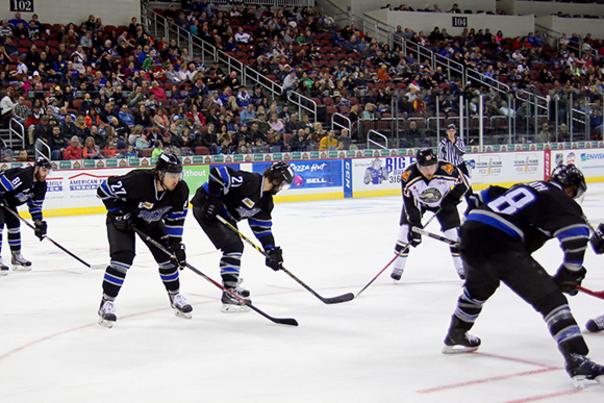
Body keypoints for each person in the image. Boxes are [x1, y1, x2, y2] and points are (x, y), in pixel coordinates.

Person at [443, 164, 604, 386]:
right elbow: (576, 236)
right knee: (551, 300)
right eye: (575, 192)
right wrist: (570, 274)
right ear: (570, 188)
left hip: (471, 233)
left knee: (480, 287)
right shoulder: (561, 199)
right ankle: (577, 359)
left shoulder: (527, 187)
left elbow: (481, 197)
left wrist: (473, 226)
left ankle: (456, 333)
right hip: (501, 243)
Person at [95, 153, 191, 327]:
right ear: (160, 173)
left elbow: (177, 219)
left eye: (178, 175)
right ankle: (107, 303)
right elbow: (103, 189)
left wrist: (176, 245)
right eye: (171, 176)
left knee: (169, 257)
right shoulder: (138, 181)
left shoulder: (180, 190)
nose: (175, 180)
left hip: (151, 222)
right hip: (124, 220)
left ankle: (175, 295)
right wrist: (117, 212)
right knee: (122, 258)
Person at [191, 161, 294, 312]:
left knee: (236, 246)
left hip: (224, 215)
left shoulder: (265, 202)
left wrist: (271, 250)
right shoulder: (250, 181)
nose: (281, 188)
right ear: (276, 179)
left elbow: (262, 229)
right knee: (234, 246)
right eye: (283, 184)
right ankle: (229, 293)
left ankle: (230, 280)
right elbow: (218, 173)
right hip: (205, 205)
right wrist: (213, 199)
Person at [391, 149, 468, 281]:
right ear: (418, 166)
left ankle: (462, 269)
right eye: (425, 168)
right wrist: (415, 226)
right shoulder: (408, 176)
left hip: (443, 202)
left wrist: (451, 200)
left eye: (432, 166)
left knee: (454, 236)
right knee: (404, 232)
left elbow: (464, 184)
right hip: (418, 204)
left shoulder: (447, 169)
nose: (429, 171)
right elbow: (409, 203)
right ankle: (397, 268)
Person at [0, 158, 50, 275]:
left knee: (14, 224)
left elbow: (35, 206)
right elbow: (2, 183)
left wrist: (39, 223)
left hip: (8, 201)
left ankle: (16, 256)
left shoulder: (41, 186)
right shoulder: (24, 176)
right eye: (43, 170)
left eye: (48, 171)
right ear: (36, 168)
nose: (45, 174)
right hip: (2, 196)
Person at [439, 124, 472, 200]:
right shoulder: (443, 143)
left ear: (455, 131)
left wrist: (454, 143)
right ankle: (448, 202)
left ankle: (471, 200)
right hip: (449, 167)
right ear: (446, 132)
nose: (451, 133)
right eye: (449, 131)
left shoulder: (459, 140)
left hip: (460, 166)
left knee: (466, 184)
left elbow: (462, 152)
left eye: (452, 131)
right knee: (446, 185)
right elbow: (441, 157)